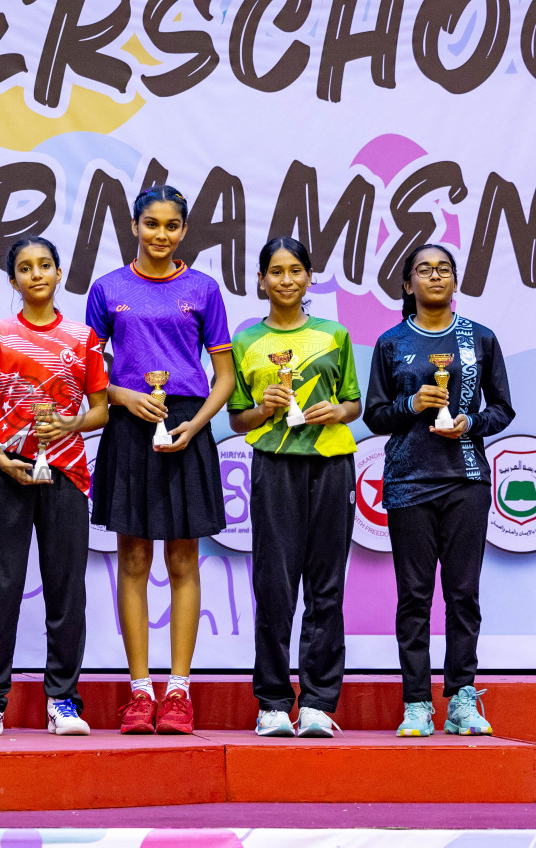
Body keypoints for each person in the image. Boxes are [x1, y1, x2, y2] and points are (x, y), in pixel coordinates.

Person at [85, 185, 235, 735]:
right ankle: (140, 691)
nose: (161, 235)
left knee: (183, 562)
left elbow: (224, 377)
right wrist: (124, 397)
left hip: (187, 426)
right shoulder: (107, 289)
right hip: (129, 427)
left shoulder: (203, 289)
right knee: (132, 561)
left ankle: (178, 691)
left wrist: (194, 426)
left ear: (184, 231)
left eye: (172, 226)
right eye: (152, 224)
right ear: (134, 225)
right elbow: (91, 373)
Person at [364, 243, 514, 738]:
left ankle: (462, 698)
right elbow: (376, 415)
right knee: (413, 596)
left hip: (467, 480)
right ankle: (415, 702)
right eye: (423, 270)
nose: (435, 276)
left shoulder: (481, 339)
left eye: (443, 269)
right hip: (409, 482)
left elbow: (503, 410)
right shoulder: (390, 343)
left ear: (455, 282)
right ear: (407, 285)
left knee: (463, 594)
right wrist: (412, 403)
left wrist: (469, 421)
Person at [0, 237, 109, 737]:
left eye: (45, 265)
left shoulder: (83, 338)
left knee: (67, 592)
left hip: (66, 474)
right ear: (12, 281)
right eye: (25, 268)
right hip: (9, 472)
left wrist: (70, 426)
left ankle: (63, 701)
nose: (36, 274)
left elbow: (100, 410)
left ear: (59, 272)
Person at [227, 237, 361, 739]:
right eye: (276, 272)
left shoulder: (335, 334)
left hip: (331, 464)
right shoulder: (245, 342)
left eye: (296, 270)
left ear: (309, 277)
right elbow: (238, 419)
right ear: (260, 280)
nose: (286, 280)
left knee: (326, 586)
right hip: (274, 465)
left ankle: (319, 703)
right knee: (275, 587)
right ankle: (272, 704)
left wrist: (337, 412)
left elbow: (353, 402)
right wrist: (263, 408)